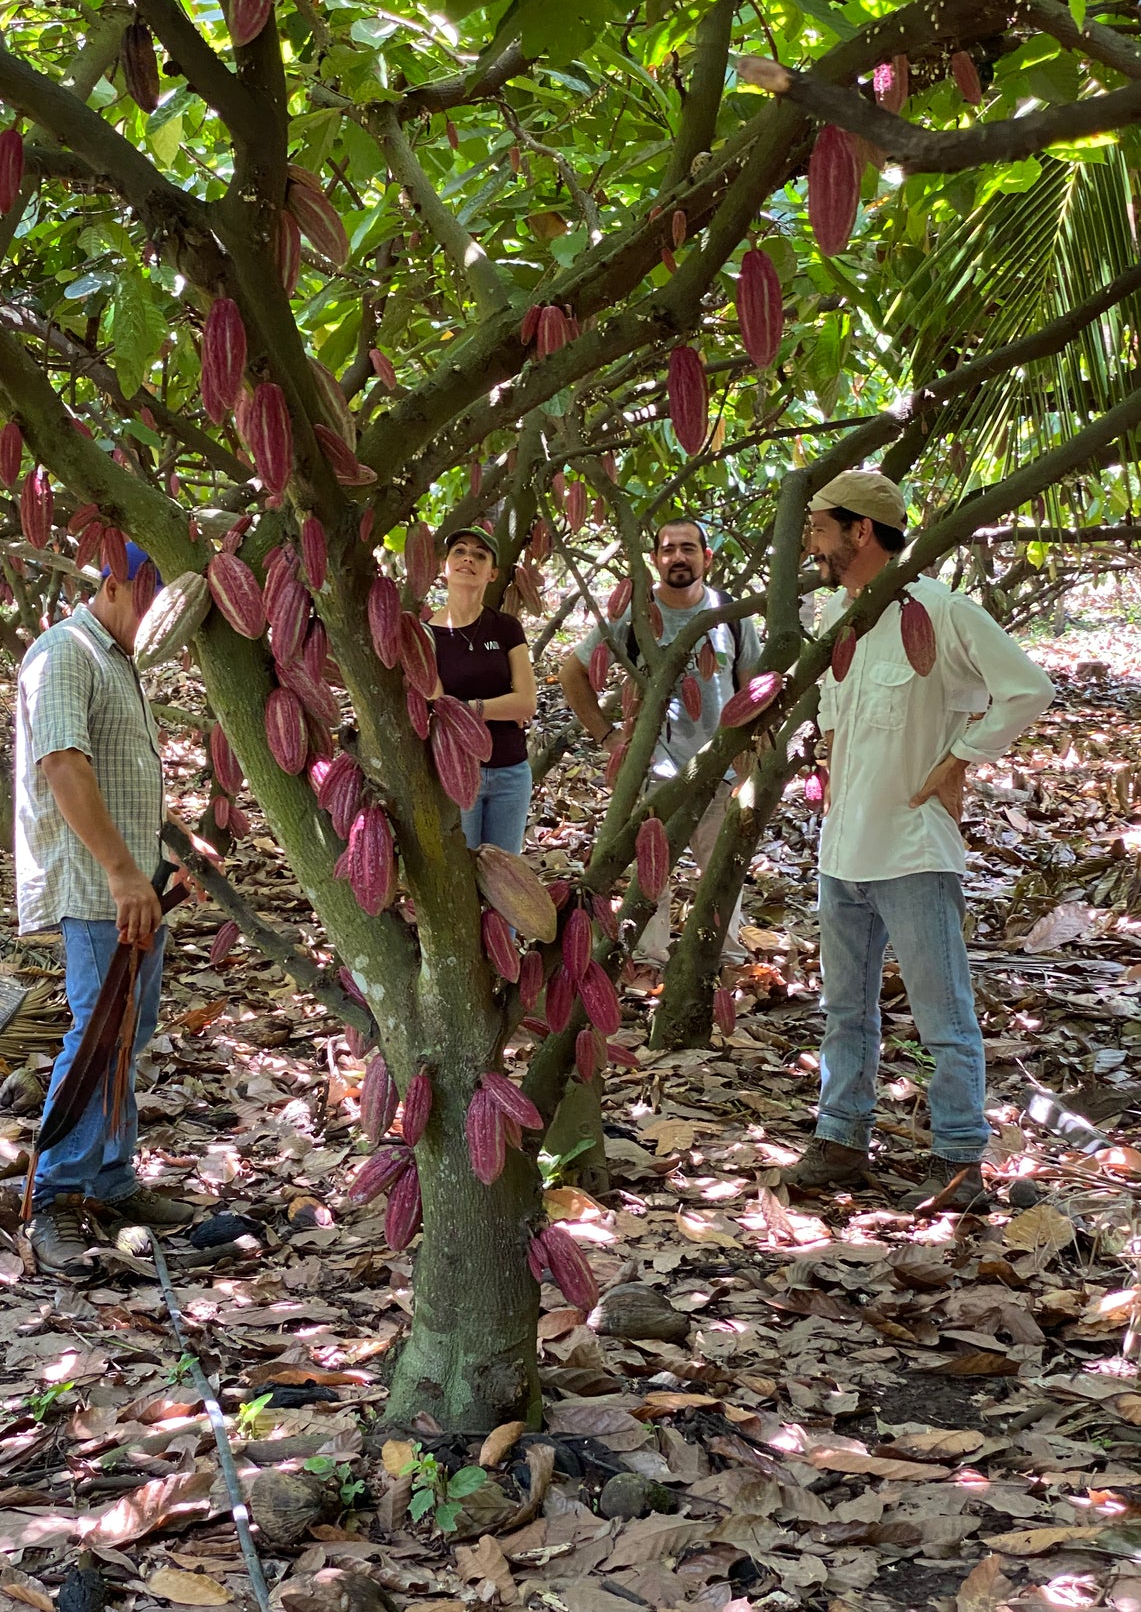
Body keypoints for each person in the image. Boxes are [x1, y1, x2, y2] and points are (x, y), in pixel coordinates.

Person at [792, 470, 1054, 1201]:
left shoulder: (938, 611)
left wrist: (959, 758)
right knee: (844, 1010)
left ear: (860, 530)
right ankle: (839, 1137)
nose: (808, 541)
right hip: (841, 851)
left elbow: (1028, 686)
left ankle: (959, 1157)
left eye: (818, 526)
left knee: (942, 1016)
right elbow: (837, 723)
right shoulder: (833, 619)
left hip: (910, 848)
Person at [14, 541, 194, 1276]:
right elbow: (63, 765)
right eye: (153, 594)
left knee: (128, 1030)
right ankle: (54, 1198)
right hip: (98, 887)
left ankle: (111, 1182)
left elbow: (122, 773)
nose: (160, 616)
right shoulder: (65, 652)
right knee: (98, 1033)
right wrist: (121, 872)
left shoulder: (119, 660)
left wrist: (167, 854)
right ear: (120, 584)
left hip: (132, 883)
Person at [559, 517, 762, 964]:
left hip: (719, 771)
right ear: (654, 560)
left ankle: (717, 966)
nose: (678, 557)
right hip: (651, 773)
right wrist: (607, 736)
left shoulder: (730, 613)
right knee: (652, 878)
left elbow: (752, 693)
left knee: (721, 876)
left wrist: (748, 765)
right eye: (668, 549)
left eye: (688, 548)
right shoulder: (635, 615)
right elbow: (571, 671)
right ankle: (647, 962)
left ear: (707, 558)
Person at [430, 528, 538, 853]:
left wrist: (468, 708)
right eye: (459, 551)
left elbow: (527, 702)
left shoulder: (506, 627)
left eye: (480, 555)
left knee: (504, 878)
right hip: (457, 770)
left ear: (492, 573)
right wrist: (497, 707)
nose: (468, 558)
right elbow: (437, 710)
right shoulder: (425, 635)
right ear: (443, 567)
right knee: (461, 878)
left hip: (511, 771)